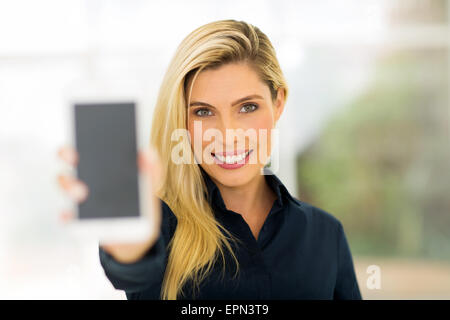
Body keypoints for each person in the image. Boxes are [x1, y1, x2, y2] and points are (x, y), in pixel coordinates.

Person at [57, 19, 362, 300]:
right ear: (182, 119)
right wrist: (130, 249)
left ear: (278, 102)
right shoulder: (158, 226)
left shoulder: (325, 234)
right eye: (203, 112)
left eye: (247, 107)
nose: (227, 135)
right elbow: (133, 271)